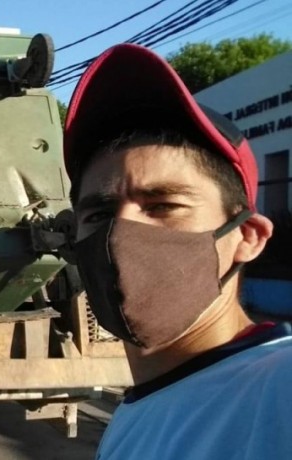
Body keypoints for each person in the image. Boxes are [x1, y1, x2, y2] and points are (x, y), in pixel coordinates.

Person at [63, 43, 292, 459]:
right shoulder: (138, 411)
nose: (120, 235)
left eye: (163, 206)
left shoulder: (278, 386)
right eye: (99, 214)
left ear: (248, 237)